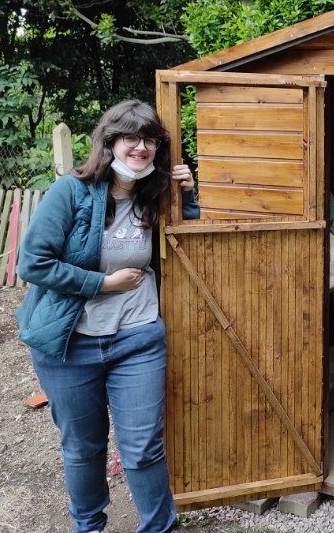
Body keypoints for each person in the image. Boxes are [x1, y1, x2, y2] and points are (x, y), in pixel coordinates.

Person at [16, 100, 199, 533]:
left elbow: (193, 247)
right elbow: (33, 264)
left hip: (137, 338)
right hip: (70, 344)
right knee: (83, 447)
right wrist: (102, 284)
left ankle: (159, 527)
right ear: (110, 142)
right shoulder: (71, 192)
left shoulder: (156, 195)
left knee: (142, 448)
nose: (141, 148)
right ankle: (89, 526)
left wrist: (187, 197)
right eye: (131, 138)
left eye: (151, 139)